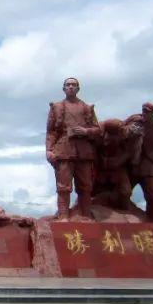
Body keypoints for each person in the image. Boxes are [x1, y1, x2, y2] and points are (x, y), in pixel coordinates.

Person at [46, 77, 100, 220]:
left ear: (78, 88)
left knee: (85, 186)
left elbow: (97, 129)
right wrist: (49, 150)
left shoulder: (87, 108)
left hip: (84, 151)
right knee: (63, 186)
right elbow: (51, 131)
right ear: (63, 88)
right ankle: (63, 216)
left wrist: (86, 131)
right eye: (68, 85)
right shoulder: (57, 107)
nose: (71, 87)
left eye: (74, 85)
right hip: (63, 149)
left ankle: (85, 216)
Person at [131, 102, 153, 222]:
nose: (144, 113)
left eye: (147, 111)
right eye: (143, 110)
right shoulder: (135, 122)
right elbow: (122, 130)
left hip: (150, 166)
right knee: (122, 191)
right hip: (132, 164)